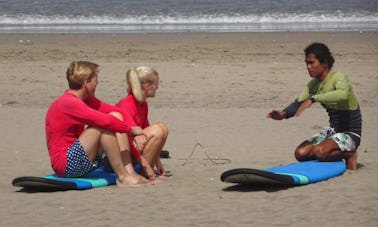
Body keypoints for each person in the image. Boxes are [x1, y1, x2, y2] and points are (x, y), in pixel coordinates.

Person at [45, 61, 149, 187]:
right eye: (96, 80)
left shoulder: (84, 100)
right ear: (85, 83)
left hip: (80, 161)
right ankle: (122, 176)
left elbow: (118, 112)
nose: (98, 83)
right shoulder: (68, 103)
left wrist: (133, 127)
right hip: (65, 165)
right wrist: (131, 130)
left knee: (115, 117)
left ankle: (129, 172)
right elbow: (105, 121)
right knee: (104, 124)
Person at [267, 42, 362, 170]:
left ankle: (349, 154)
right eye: (306, 63)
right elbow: (299, 102)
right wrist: (283, 114)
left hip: (350, 133)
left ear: (324, 63)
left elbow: (343, 94)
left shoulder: (337, 77)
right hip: (333, 131)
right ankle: (331, 153)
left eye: (312, 62)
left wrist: (314, 98)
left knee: (320, 152)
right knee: (300, 153)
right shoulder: (313, 85)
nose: (308, 67)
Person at [115, 66, 168, 180]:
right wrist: (145, 164)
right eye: (156, 84)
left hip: (133, 150)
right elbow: (123, 139)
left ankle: (149, 169)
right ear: (146, 86)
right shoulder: (128, 103)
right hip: (120, 154)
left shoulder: (143, 104)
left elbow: (147, 130)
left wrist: (157, 160)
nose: (157, 87)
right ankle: (144, 172)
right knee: (158, 130)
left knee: (162, 129)